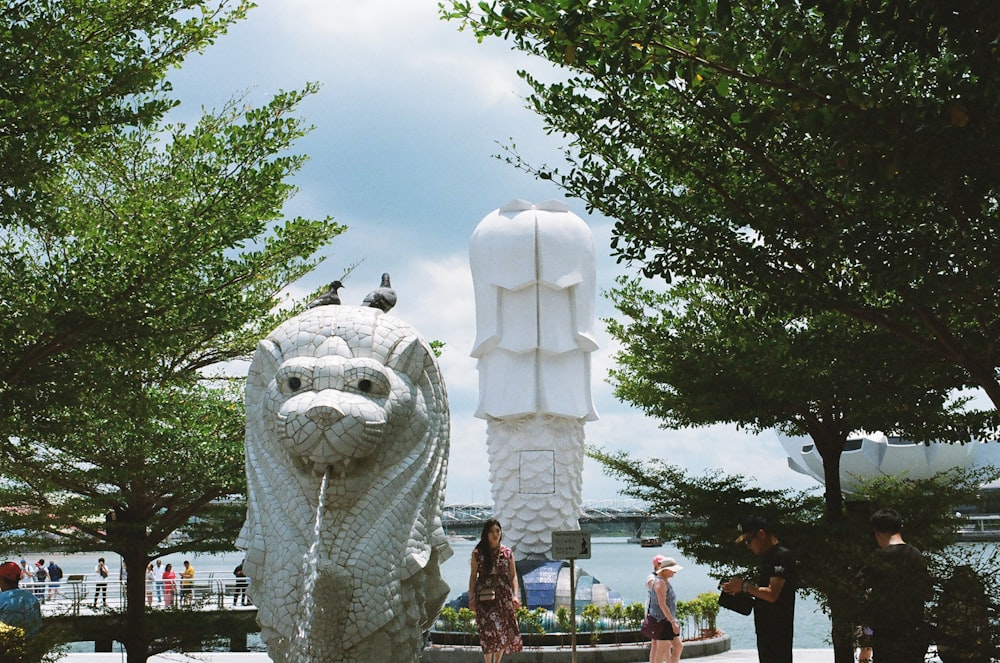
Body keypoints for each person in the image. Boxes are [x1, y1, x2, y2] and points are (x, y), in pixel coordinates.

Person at [855, 508, 931, 663]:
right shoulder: (916, 555)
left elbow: (855, 586)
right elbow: (927, 592)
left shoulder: (879, 557)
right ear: (900, 527)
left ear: (876, 532)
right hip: (914, 631)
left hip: (886, 634)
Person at [721, 514, 797, 663]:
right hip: (765, 628)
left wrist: (744, 586)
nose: (748, 546)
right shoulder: (768, 558)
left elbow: (772, 594)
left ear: (761, 534)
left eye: (749, 541)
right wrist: (740, 591)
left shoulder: (781, 556)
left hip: (778, 630)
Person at [468, 519, 522, 663]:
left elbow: (513, 575)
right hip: (484, 598)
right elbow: (473, 576)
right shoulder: (478, 553)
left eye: (497, 531)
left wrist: (515, 596)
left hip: (503, 597)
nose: (495, 534)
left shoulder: (507, 553)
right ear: (486, 533)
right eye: (491, 531)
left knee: (502, 632)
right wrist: (472, 598)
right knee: (487, 632)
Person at [646, 555, 683, 663]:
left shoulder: (664, 581)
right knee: (662, 649)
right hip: (662, 620)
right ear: (666, 570)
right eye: (673, 570)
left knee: (678, 646)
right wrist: (672, 621)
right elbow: (662, 604)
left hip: (666, 619)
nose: (674, 573)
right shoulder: (660, 583)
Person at [0, 561, 42, 639]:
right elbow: (38, 626)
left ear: (2, 579)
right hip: (32, 646)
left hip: (7, 647)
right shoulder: (32, 598)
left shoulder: (1, 599)